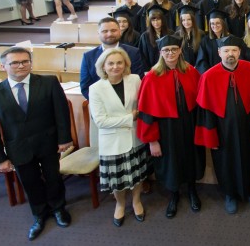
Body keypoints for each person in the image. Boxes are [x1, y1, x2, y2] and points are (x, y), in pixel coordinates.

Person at [0, 47, 73, 241]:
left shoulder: (49, 82)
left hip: (48, 143)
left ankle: (58, 209)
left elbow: (61, 113)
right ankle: (39, 215)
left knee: (53, 178)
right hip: (18, 148)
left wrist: (64, 138)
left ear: (31, 62)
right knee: (30, 183)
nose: (21, 65)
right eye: (14, 62)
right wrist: (0, 158)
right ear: (3, 66)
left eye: (25, 61)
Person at [137, 34, 205, 219]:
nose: (170, 53)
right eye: (166, 50)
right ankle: (174, 195)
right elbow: (146, 112)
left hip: (189, 124)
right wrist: (152, 141)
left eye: (174, 49)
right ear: (160, 52)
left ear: (180, 50)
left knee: (190, 158)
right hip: (166, 129)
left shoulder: (191, 71)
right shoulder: (151, 77)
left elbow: (201, 102)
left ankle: (192, 191)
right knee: (171, 162)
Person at [195, 36, 250, 214]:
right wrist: (211, 136)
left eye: (234, 50)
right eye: (226, 51)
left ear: (240, 52)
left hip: (247, 128)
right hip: (222, 130)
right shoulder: (209, 76)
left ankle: (249, 190)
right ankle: (229, 194)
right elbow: (206, 111)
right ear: (219, 53)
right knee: (225, 161)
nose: (230, 54)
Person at [88, 48, 148, 227]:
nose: (116, 67)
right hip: (112, 141)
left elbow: (142, 105)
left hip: (134, 137)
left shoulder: (135, 80)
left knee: (137, 175)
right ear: (103, 67)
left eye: (119, 63)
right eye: (111, 63)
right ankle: (120, 204)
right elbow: (101, 121)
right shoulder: (96, 88)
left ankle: (136, 201)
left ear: (126, 64)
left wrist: (132, 116)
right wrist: (130, 117)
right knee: (117, 180)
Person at [80, 17, 146, 100]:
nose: (109, 34)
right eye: (105, 31)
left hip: (129, 104)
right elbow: (85, 87)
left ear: (120, 32)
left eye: (113, 30)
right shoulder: (88, 56)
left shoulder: (133, 53)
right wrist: (101, 102)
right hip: (101, 106)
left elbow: (139, 81)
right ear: (98, 33)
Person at [138, 5, 175, 69]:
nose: (156, 22)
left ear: (162, 20)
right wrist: (147, 70)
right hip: (152, 69)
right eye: (153, 20)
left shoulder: (171, 33)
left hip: (168, 68)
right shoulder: (145, 36)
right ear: (150, 21)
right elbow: (142, 56)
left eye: (158, 19)